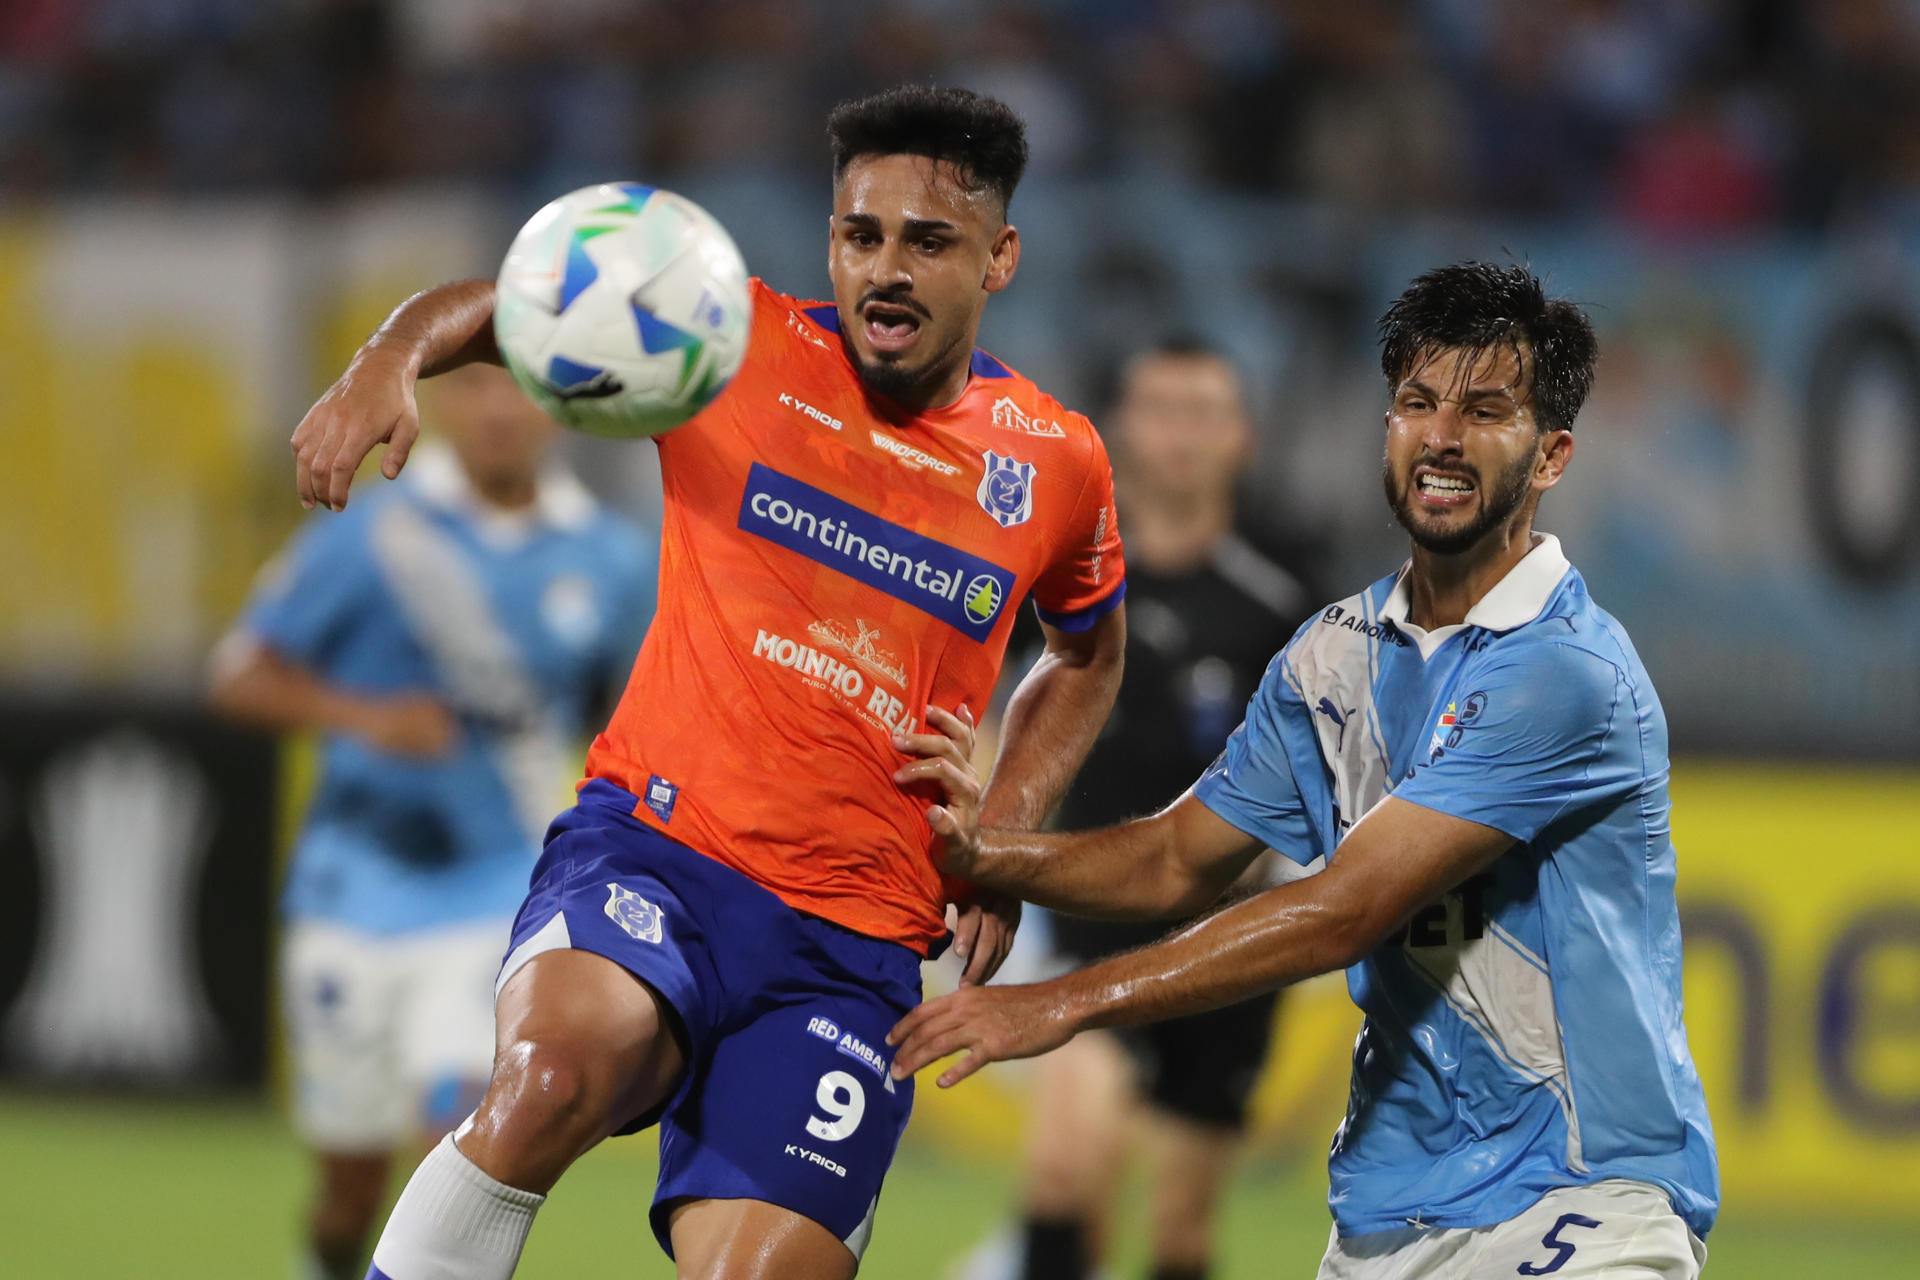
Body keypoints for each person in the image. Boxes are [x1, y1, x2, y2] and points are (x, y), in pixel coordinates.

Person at [287, 86, 1128, 1280]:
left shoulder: (1055, 463)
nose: (884, 270)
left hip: (858, 937)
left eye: (928, 241)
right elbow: (515, 301)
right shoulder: (732, 343)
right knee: (549, 1077)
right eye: (860, 234)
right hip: (658, 852)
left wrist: (1008, 824)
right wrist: (392, 359)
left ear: (1000, 257)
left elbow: (1089, 651)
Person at [891, 262, 1720, 1279]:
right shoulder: (1333, 655)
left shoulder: (1565, 671)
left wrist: (1059, 1001)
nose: (1443, 436)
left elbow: (1344, 908)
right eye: (1418, 402)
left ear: (1552, 454)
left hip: (1582, 1202)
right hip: (1386, 1216)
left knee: (1178, 1219)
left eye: (1486, 410)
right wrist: (990, 853)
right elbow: (1170, 858)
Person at [209, 364, 655, 1280]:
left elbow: (639, 721)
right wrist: (365, 717)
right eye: (480, 387)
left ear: (561, 409)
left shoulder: (610, 560)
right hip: (354, 884)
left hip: (503, 887)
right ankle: (329, 1255)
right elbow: (238, 675)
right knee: (350, 1188)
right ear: (447, 401)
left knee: (456, 1138)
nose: (499, 411)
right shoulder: (379, 535)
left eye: (520, 390)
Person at [973, 339, 1321, 1280]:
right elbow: (988, 713)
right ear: (1122, 429)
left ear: (1240, 438)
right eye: (1160, 407)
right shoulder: (1064, 578)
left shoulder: (1282, 604)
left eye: (1203, 410)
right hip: (1093, 917)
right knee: (1063, 1171)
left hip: (1233, 935)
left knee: (1179, 1234)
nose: (1180, 433)